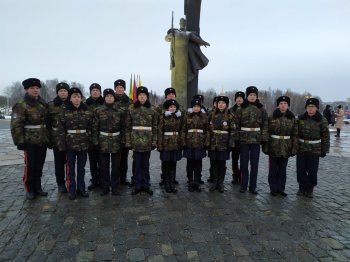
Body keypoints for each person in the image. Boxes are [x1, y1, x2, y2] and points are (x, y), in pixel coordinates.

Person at [11, 78, 48, 200]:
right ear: (26, 89)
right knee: (30, 166)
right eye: (32, 88)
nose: (35, 90)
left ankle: (38, 187)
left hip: (41, 139)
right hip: (29, 141)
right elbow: (16, 125)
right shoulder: (21, 105)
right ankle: (29, 189)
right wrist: (20, 141)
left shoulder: (43, 103)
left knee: (39, 165)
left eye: (37, 88)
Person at [57, 87, 92, 200]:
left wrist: (89, 139)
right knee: (70, 169)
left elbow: (91, 127)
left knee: (81, 168)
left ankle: (81, 189)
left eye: (78, 97)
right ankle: (71, 190)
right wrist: (62, 144)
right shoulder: (64, 110)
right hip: (70, 143)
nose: (76, 99)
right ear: (70, 99)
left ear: (81, 98)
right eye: (74, 97)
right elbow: (61, 129)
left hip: (83, 143)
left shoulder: (86, 110)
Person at [165, 18, 210, 106]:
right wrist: (170, 34)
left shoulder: (188, 33)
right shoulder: (174, 33)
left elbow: (197, 39)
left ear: (185, 24)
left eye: (183, 23)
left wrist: (204, 42)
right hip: (176, 59)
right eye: (181, 22)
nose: (182, 24)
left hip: (184, 59)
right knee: (176, 80)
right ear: (179, 24)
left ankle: (182, 103)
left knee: (184, 79)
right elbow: (166, 38)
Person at [235, 86, 269, 194]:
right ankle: (243, 185)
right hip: (244, 139)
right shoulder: (241, 108)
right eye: (250, 95)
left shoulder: (261, 108)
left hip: (256, 140)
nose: (252, 97)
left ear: (257, 96)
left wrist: (263, 138)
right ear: (247, 96)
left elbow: (265, 124)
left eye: (254, 95)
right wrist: (237, 138)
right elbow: (236, 124)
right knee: (244, 164)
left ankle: (252, 187)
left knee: (254, 165)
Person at [263, 96, 298, 197]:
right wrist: (265, 146)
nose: (283, 105)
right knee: (273, 169)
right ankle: (273, 188)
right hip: (273, 146)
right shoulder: (271, 117)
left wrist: (294, 148)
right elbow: (266, 132)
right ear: (278, 105)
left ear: (288, 105)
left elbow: (295, 134)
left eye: (285, 103)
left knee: (283, 170)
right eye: (281, 103)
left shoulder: (292, 118)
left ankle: (281, 188)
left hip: (286, 147)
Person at [125, 86, 157, 195]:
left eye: (144, 95)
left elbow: (155, 126)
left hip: (147, 141)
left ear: (147, 97)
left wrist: (154, 141)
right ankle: (137, 185)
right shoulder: (131, 108)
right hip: (136, 141)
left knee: (146, 164)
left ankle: (146, 185)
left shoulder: (152, 109)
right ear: (137, 96)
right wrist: (128, 142)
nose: (142, 97)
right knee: (137, 164)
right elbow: (128, 126)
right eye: (140, 95)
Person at [92, 89, 125, 196]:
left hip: (116, 141)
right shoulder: (99, 110)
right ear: (104, 98)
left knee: (116, 166)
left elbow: (124, 127)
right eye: (107, 96)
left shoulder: (119, 111)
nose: (109, 98)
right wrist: (96, 141)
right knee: (103, 166)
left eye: (111, 96)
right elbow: (94, 128)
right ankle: (105, 187)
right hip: (103, 141)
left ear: (114, 98)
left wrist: (123, 140)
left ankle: (115, 187)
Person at [296, 98, 330, 198]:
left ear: (316, 108)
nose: (310, 109)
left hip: (315, 149)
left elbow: (325, 136)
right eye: (309, 107)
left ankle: (310, 189)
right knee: (300, 170)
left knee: (312, 171)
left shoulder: (322, 120)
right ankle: (302, 188)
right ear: (306, 108)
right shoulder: (301, 118)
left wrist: (324, 150)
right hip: (301, 148)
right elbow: (295, 133)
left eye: (313, 107)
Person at [208, 96, 236, 193]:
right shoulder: (211, 114)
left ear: (226, 105)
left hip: (224, 143)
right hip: (213, 142)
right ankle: (214, 182)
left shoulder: (230, 115)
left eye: (223, 103)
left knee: (222, 163)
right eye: (219, 102)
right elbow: (207, 129)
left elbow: (233, 131)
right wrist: (207, 142)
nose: (221, 104)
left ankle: (220, 182)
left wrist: (231, 144)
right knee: (213, 162)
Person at [181, 98, 209, 192]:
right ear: (192, 107)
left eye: (198, 106)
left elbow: (207, 131)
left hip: (200, 144)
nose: (196, 108)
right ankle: (190, 181)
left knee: (198, 164)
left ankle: (196, 181)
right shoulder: (187, 116)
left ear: (200, 107)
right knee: (190, 164)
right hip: (189, 144)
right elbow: (183, 130)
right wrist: (183, 142)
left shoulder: (204, 117)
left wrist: (206, 142)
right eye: (194, 106)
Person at [47, 82, 70, 193]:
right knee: (59, 163)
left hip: (71, 138)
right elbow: (47, 124)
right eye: (61, 91)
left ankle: (70, 182)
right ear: (57, 92)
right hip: (57, 139)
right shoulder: (51, 105)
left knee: (70, 162)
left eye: (65, 90)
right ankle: (60, 183)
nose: (63, 92)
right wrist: (49, 140)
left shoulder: (72, 103)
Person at [158, 87, 183, 186]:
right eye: (169, 95)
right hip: (166, 140)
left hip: (175, 140)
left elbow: (183, 124)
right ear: (165, 97)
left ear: (175, 96)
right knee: (165, 161)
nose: (171, 95)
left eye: (173, 94)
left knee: (173, 161)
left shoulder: (180, 108)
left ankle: (172, 178)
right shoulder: (160, 108)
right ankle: (164, 178)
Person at [85, 83, 104, 190]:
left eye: (97, 90)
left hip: (102, 137)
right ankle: (94, 180)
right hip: (90, 137)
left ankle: (102, 179)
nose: (95, 92)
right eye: (93, 90)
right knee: (92, 160)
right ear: (90, 92)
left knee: (102, 160)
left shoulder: (104, 103)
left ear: (100, 92)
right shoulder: (86, 104)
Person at [114, 79, 132, 185]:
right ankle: (115, 179)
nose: (119, 89)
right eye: (117, 88)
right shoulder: (110, 99)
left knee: (124, 159)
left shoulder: (129, 102)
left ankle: (123, 178)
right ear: (115, 89)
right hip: (114, 135)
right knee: (115, 159)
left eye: (121, 87)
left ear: (124, 89)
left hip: (125, 134)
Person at [229, 91, 245, 185]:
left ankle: (242, 176)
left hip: (244, 139)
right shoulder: (231, 110)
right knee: (234, 159)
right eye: (237, 98)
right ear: (235, 99)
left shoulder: (246, 110)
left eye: (241, 98)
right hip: (234, 139)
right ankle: (235, 175)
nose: (239, 99)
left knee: (243, 159)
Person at [207, 96, 219, 183]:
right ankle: (212, 177)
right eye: (216, 103)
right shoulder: (210, 113)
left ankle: (219, 179)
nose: (218, 104)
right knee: (213, 161)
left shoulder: (227, 114)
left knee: (221, 161)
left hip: (222, 141)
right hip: (212, 140)